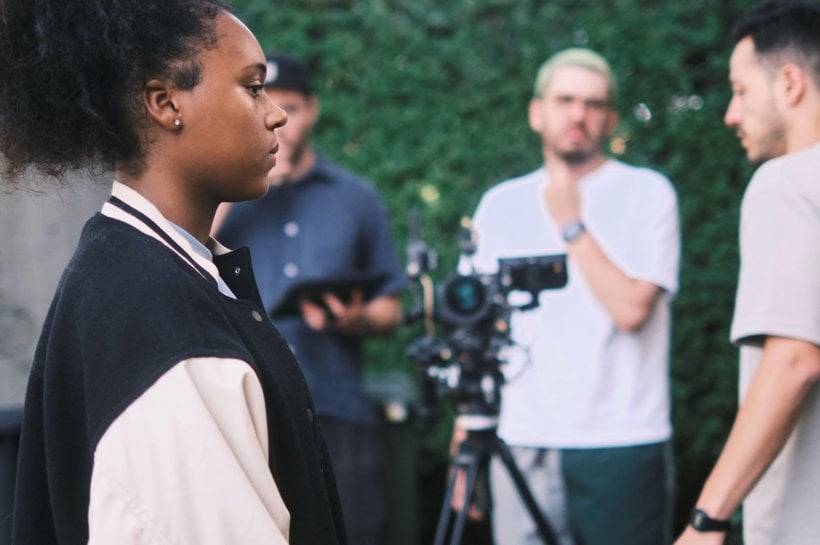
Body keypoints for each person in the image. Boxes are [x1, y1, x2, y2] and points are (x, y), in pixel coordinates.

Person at [0, 1, 347, 544]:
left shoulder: (143, 271)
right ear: (165, 103)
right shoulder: (157, 316)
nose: (275, 113)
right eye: (253, 87)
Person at [459, 48, 680, 545]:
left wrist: (570, 222)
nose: (578, 114)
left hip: (619, 439)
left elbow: (630, 310)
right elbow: (475, 330)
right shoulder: (500, 204)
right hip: (521, 436)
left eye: (593, 103)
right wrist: (465, 433)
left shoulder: (648, 194)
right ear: (538, 112)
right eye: (565, 100)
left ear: (611, 118)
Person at [215, 54, 406, 545]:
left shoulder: (355, 198)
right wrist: (235, 191)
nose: (279, 117)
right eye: (264, 101)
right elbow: (181, 257)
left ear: (313, 109)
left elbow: (392, 309)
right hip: (250, 414)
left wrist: (357, 318)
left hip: (339, 408)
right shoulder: (224, 196)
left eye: (292, 107)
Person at [674, 2, 820, 545]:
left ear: (790, 83)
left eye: (740, 91)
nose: (731, 114)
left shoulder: (786, 184)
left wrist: (707, 519)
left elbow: (794, 359)